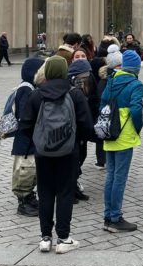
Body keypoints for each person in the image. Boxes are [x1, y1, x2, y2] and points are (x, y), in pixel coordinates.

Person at [18, 55, 93, 254]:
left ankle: (45, 238)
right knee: (65, 193)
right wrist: (77, 140)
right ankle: (63, 238)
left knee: (45, 193)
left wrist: (39, 140)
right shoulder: (75, 94)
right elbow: (86, 125)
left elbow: (24, 125)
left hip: (43, 153)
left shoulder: (36, 95)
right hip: (68, 152)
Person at [100, 49, 143, 232]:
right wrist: (138, 128)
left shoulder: (111, 81)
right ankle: (115, 218)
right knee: (120, 178)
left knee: (110, 175)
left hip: (109, 133)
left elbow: (102, 105)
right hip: (124, 136)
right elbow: (136, 110)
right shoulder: (135, 84)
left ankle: (108, 216)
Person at [9, 57, 42, 216]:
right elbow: (24, 115)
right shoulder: (25, 89)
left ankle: (29, 197)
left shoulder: (31, 87)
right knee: (25, 171)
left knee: (31, 170)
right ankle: (23, 202)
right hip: (25, 140)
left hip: (29, 139)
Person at [67, 48, 96, 202]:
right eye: (77, 56)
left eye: (83, 56)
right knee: (73, 157)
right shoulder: (68, 79)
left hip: (85, 123)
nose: (80, 58)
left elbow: (95, 98)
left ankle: (74, 183)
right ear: (72, 60)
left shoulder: (90, 76)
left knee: (81, 155)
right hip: (73, 126)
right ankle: (70, 188)